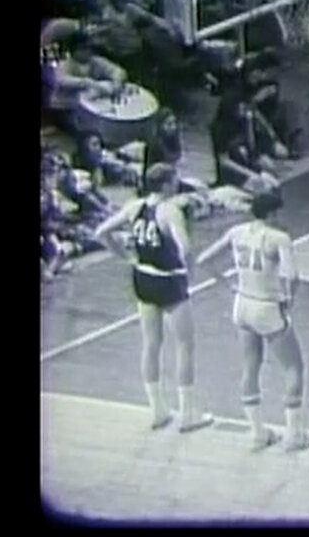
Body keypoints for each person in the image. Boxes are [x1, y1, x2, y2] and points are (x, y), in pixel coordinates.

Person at [92, 163, 213, 433]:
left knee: (151, 343)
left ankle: (158, 411)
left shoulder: (134, 206)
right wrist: (189, 274)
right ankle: (189, 413)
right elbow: (186, 248)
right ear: (168, 184)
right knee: (185, 345)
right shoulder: (170, 211)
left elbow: (101, 232)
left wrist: (125, 257)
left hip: (142, 276)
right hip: (168, 279)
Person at [195, 191, 309, 453]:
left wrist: (225, 283)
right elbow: (292, 275)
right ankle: (294, 434)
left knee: (250, 366)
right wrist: (288, 299)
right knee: (293, 367)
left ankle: (257, 433)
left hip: (242, 303)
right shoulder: (279, 238)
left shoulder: (236, 232)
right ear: (272, 213)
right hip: (267, 306)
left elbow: (203, 260)